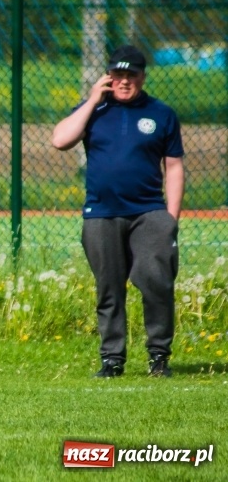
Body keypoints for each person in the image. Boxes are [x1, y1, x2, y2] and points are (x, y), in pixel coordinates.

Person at [51, 44, 185, 378]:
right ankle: (112, 359)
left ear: (143, 76)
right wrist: (93, 100)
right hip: (101, 213)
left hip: (148, 212)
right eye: (118, 74)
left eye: (131, 75)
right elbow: (60, 140)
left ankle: (158, 356)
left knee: (156, 280)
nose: (124, 81)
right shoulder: (94, 110)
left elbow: (174, 167)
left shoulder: (161, 114)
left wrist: (171, 217)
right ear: (108, 76)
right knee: (108, 288)